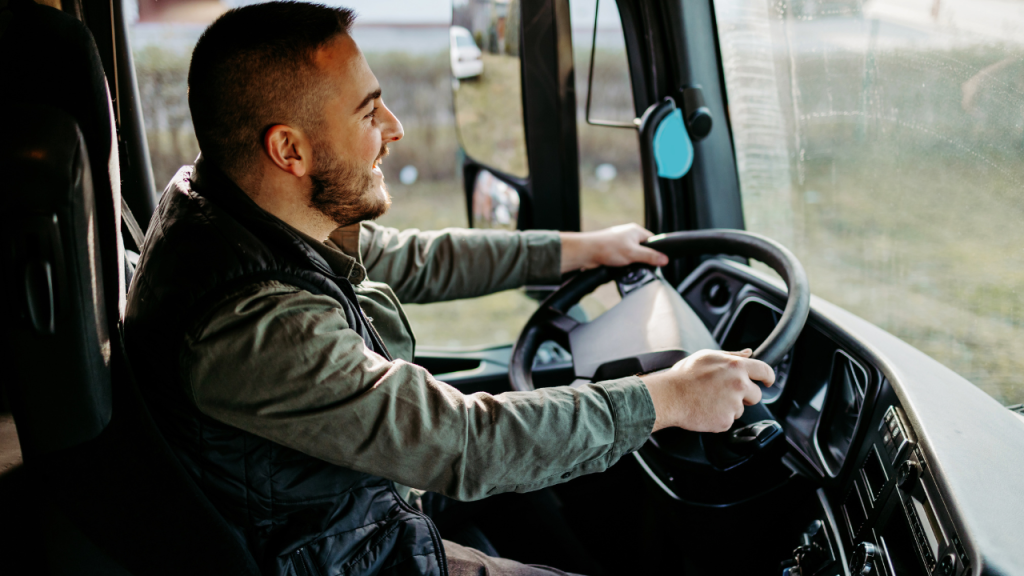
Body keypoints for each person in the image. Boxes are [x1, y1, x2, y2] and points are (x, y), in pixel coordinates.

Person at [123, 3, 774, 575]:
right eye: (367, 110)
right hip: (341, 553)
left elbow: (415, 258)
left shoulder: (228, 211)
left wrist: (581, 249)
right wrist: (666, 398)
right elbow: (462, 442)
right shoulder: (254, 322)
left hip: (346, 517)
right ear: (288, 150)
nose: (394, 126)